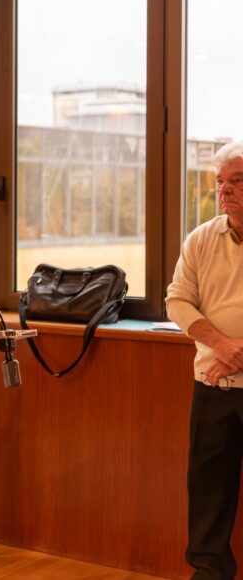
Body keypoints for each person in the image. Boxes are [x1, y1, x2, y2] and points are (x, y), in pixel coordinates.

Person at [167, 140, 243, 580]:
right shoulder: (200, 239)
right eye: (220, 181)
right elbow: (177, 301)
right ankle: (210, 571)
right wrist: (222, 344)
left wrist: (238, 353)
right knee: (208, 488)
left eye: (237, 180)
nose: (224, 189)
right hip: (213, 386)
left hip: (228, 370)